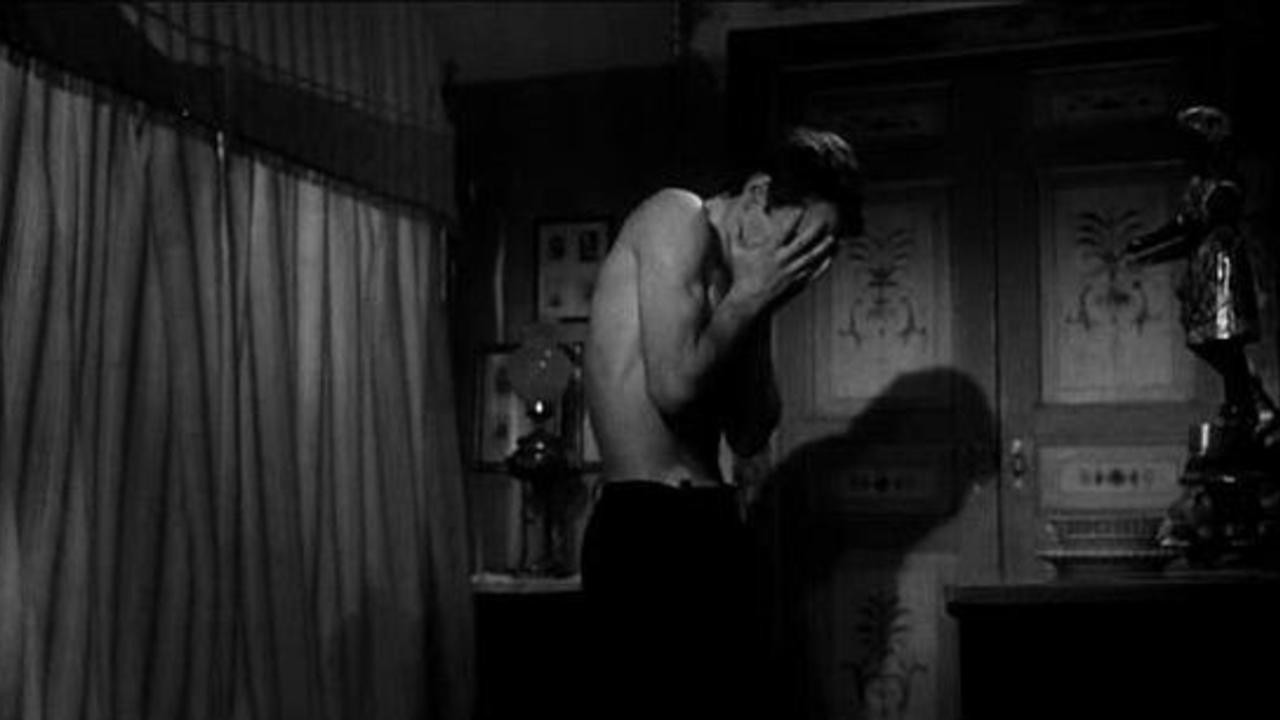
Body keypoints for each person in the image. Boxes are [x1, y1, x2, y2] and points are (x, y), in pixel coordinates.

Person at [579, 127, 863, 719]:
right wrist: (749, 298)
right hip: (645, 527)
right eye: (799, 239)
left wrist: (759, 305)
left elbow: (752, 432)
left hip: (712, 521)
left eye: (816, 253)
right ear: (757, 194)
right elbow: (673, 388)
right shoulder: (675, 217)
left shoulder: (743, 287)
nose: (799, 263)